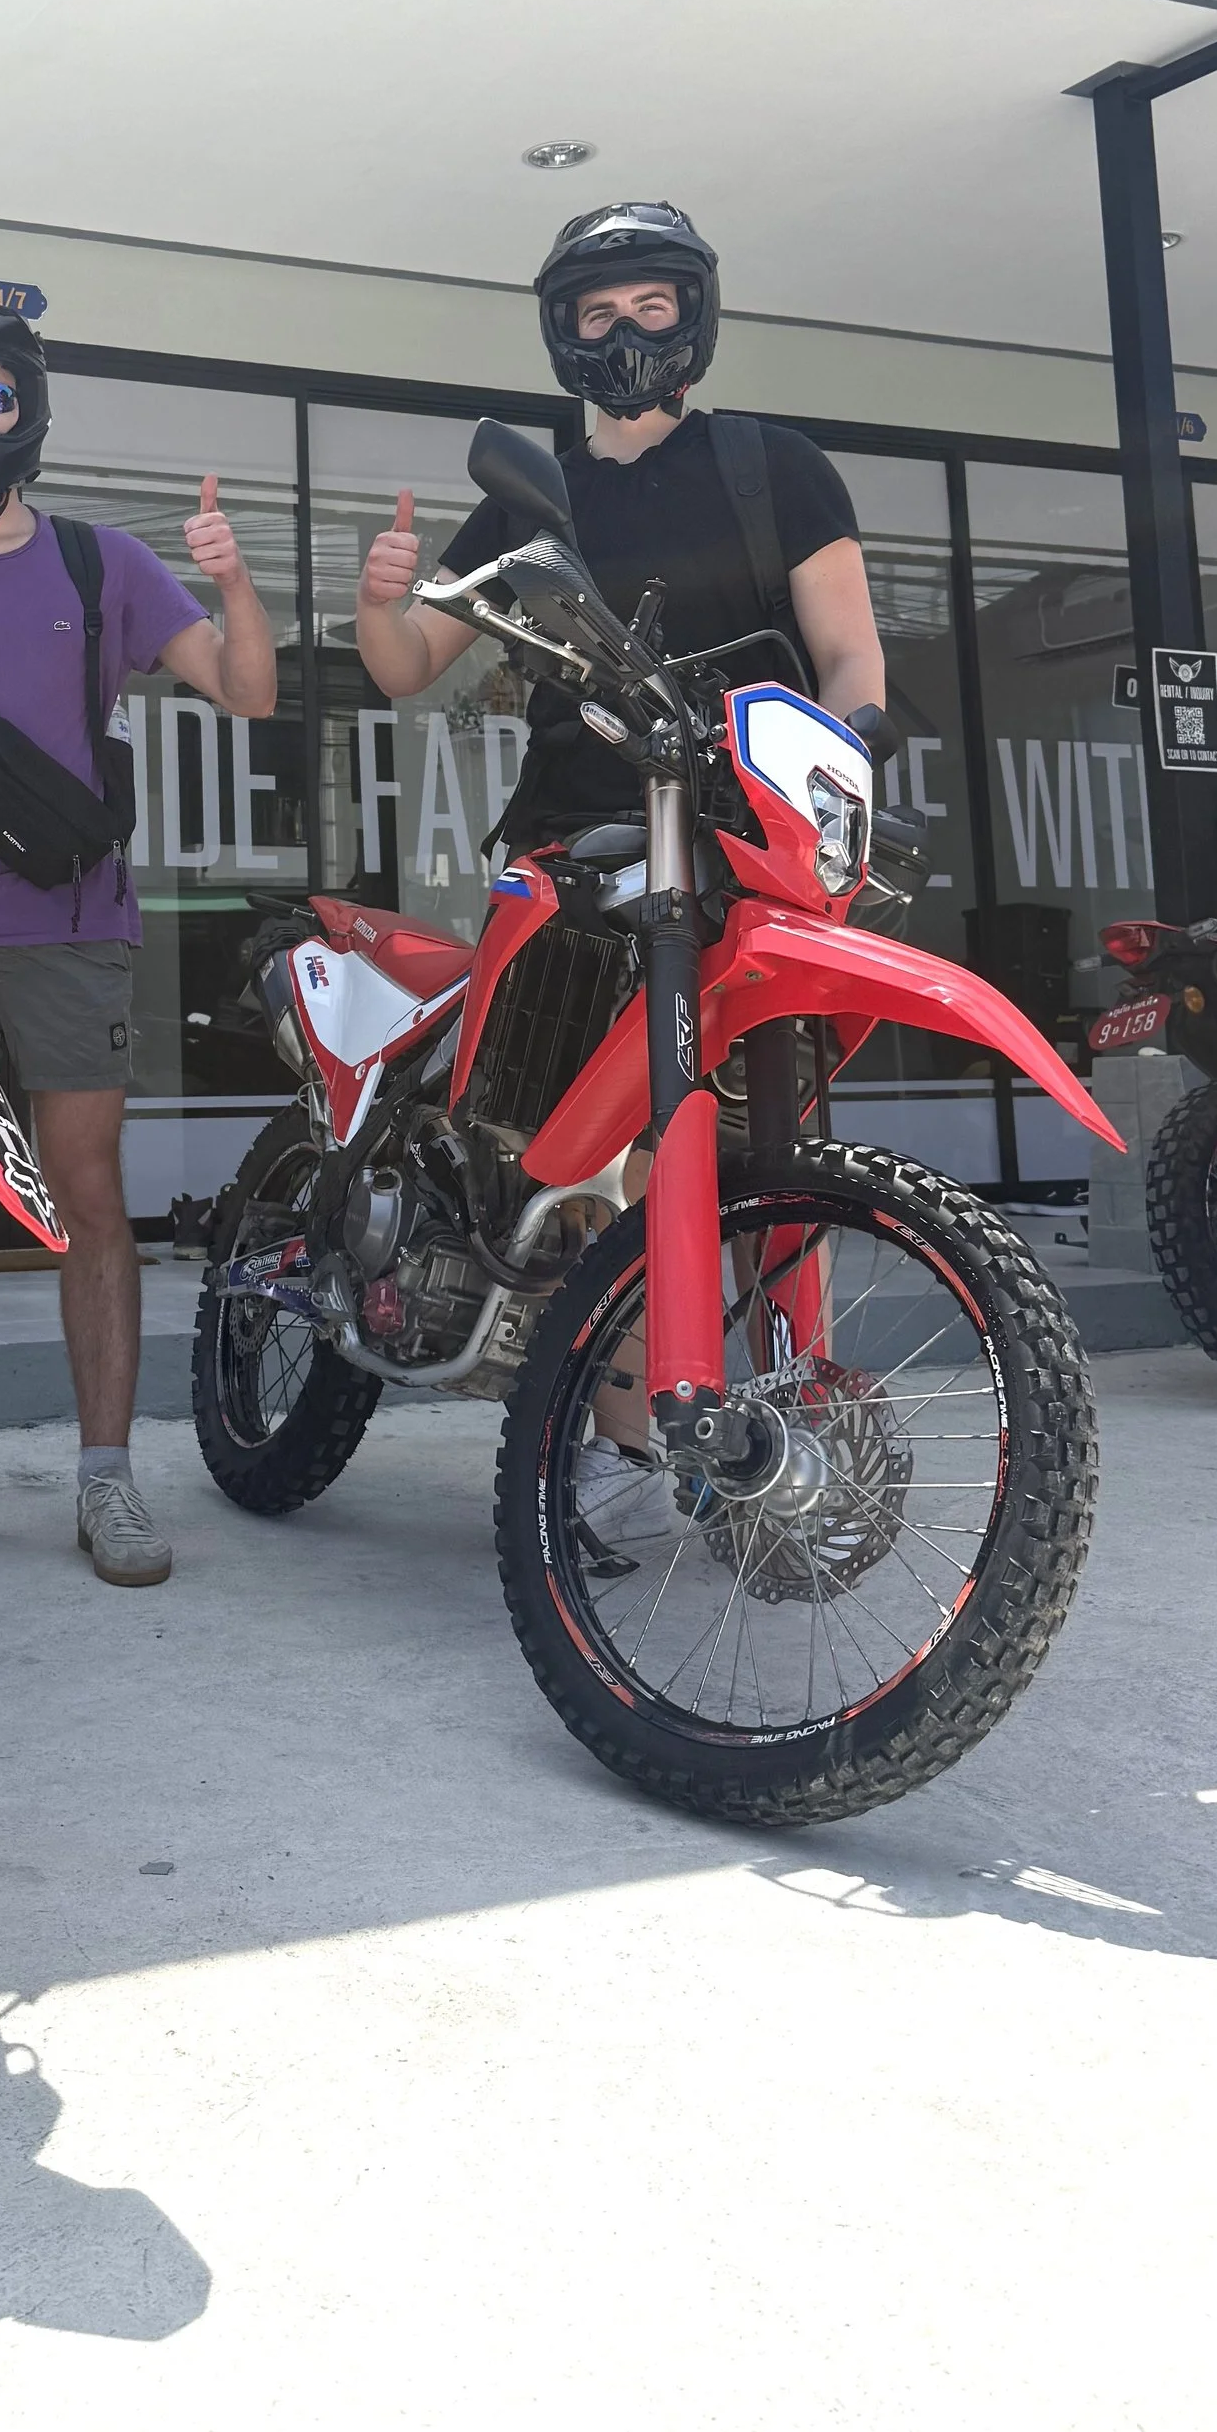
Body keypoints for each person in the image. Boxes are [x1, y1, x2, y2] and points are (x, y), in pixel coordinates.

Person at [351, 199, 889, 1496]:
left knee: (762, 1139)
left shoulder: (775, 466)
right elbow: (413, 662)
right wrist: (377, 596)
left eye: (651, 304)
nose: (627, 332)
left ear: (694, 317)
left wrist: (848, 752)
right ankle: (618, 1428)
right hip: (574, 849)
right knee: (571, 1154)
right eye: (597, 313)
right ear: (561, 335)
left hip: (748, 850)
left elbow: (852, 653)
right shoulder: (543, 492)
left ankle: (765, 1404)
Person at [0, 293, 278, 1586]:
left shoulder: (102, 565)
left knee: (87, 1200)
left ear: (30, 410)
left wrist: (235, 579)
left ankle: (107, 1480)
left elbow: (248, 689)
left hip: (77, 934)